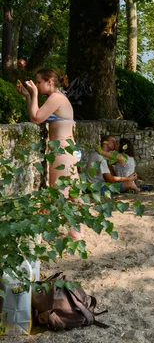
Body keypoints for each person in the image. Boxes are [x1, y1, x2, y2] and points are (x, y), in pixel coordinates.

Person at [17, 69, 82, 239]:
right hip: (68, 150)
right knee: (72, 192)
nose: (37, 84)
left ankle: (64, 231)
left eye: (39, 82)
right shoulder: (59, 98)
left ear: (50, 82)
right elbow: (35, 115)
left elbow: (36, 118)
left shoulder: (56, 98)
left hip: (62, 152)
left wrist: (35, 93)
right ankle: (76, 230)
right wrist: (29, 97)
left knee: (59, 193)